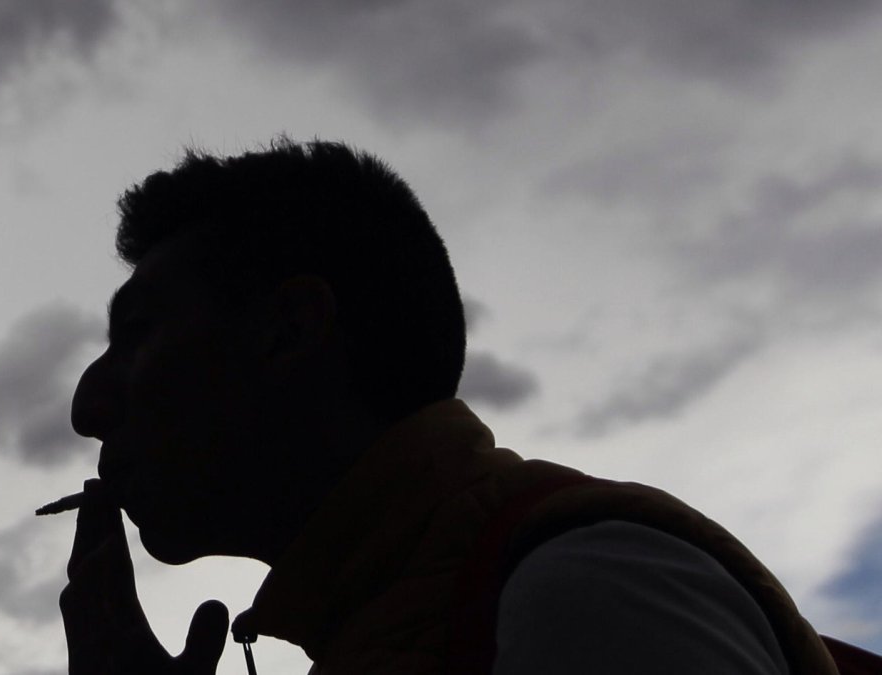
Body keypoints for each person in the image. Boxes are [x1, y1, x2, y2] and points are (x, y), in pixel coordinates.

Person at [56, 138, 842, 674]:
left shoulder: (573, 595)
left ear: (288, 330)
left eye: (137, 333)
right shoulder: (400, 623)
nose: (88, 405)